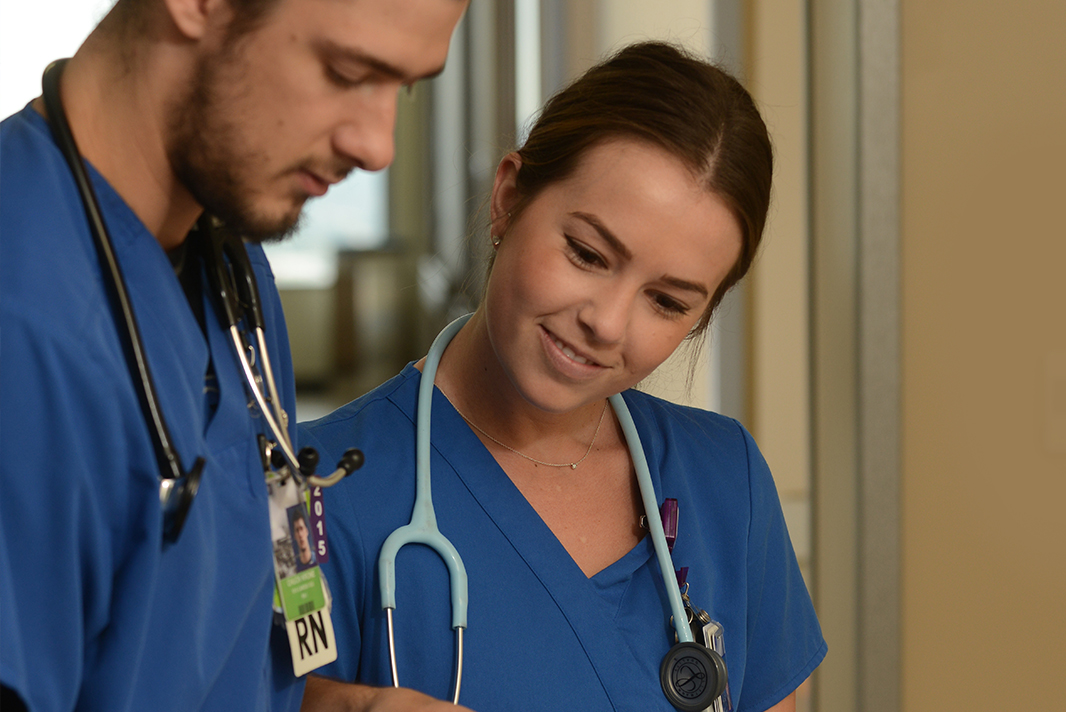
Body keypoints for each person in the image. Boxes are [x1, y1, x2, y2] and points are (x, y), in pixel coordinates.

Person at [298, 41, 827, 712]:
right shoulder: (319, 491)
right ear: (508, 198)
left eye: (667, 302)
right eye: (587, 253)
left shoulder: (726, 483)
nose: (606, 323)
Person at [0, 0, 467, 710]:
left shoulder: (233, 272)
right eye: (346, 72)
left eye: (403, 86)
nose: (380, 147)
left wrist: (349, 707)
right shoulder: (24, 321)